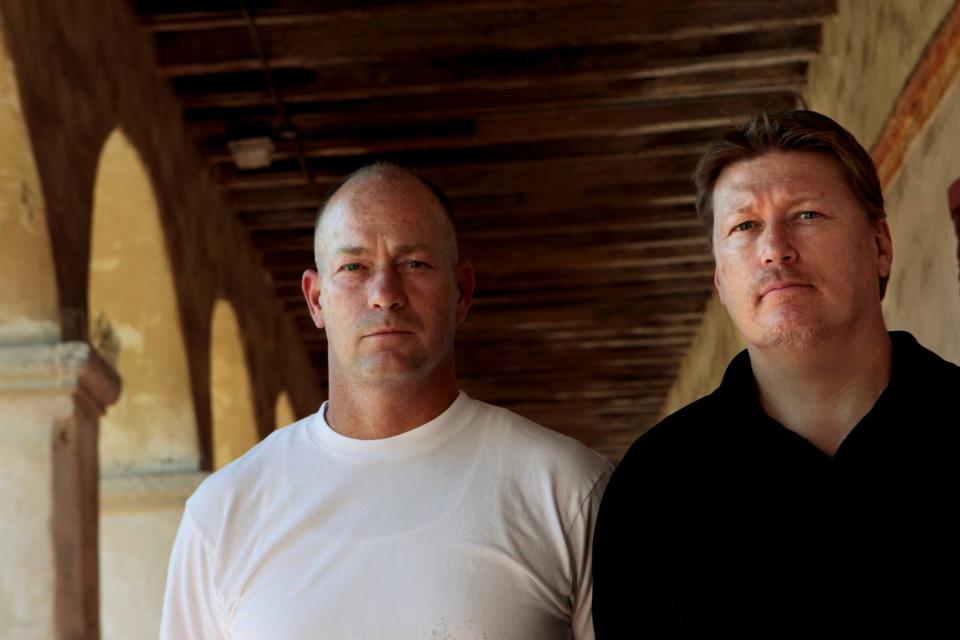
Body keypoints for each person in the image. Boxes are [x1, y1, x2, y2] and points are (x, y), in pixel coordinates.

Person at [160, 162, 612, 639]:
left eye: (414, 264)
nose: (384, 294)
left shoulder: (566, 488)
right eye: (353, 266)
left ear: (462, 292)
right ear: (316, 299)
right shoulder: (224, 513)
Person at [593, 110, 959, 636]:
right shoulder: (657, 487)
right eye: (744, 226)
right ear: (720, 278)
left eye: (806, 215)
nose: (774, 249)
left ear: (880, 247)